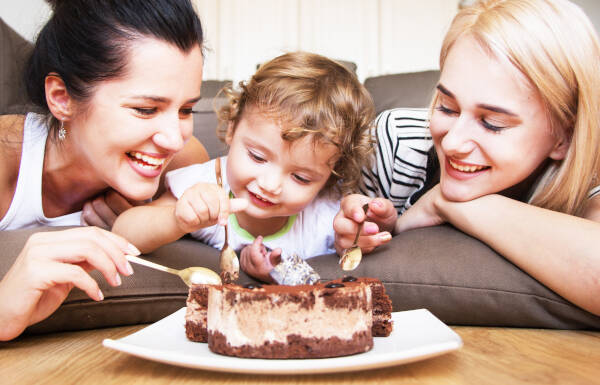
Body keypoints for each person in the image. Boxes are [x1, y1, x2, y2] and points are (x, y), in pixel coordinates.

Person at [334, 0, 600, 316]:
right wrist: (358, 233)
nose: (454, 142)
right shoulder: (397, 143)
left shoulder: (586, 182)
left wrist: (447, 203)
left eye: (493, 123)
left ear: (563, 138)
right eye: (446, 107)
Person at [0, 0, 208, 341]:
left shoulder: (186, 162)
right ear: (61, 97)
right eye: (145, 109)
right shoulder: (6, 160)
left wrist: (150, 217)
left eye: (186, 109)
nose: (174, 140)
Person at [113, 52, 375, 282]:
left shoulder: (326, 212)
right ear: (232, 129)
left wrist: (358, 234)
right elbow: (124, 231)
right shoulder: (205, 183)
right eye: (258, 157)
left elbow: (358, 242)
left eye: (301, 177)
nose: (269, 185)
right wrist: (176, 218)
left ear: (330, 176)